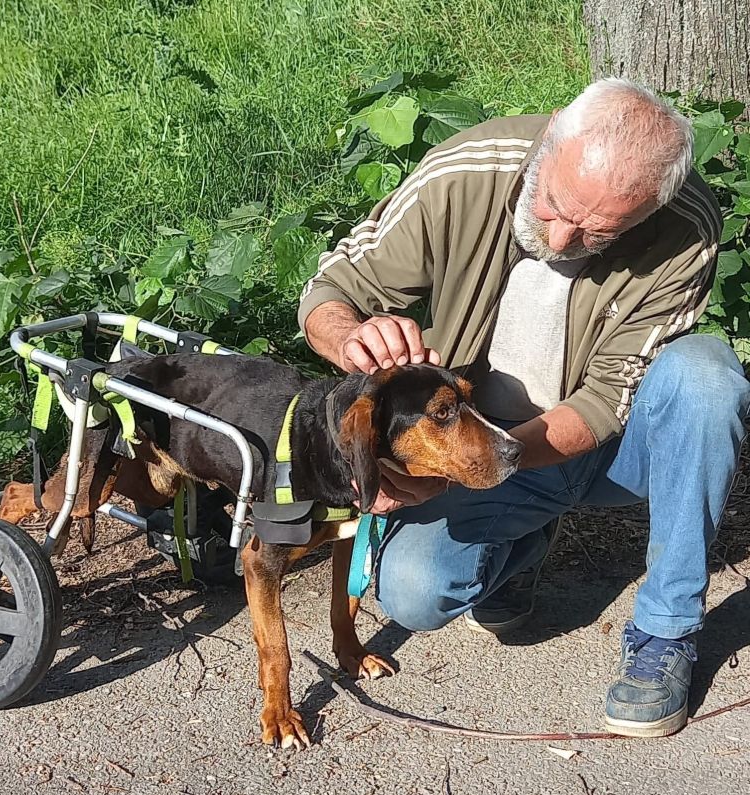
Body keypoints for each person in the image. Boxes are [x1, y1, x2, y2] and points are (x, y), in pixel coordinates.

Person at [296, 77, 750, 738]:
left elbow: (602, 403)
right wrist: (350, 335)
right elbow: (331, 289)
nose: (561, 238)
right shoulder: (468, 172)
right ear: (555, 134)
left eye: (596, 230)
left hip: (611, 448)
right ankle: (521, 541)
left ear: (651, 207)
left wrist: (491, 465)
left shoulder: (685, 228)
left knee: (707, 377)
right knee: (416, 595)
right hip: (477, 439)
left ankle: (667, 630)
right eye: (553, 203)